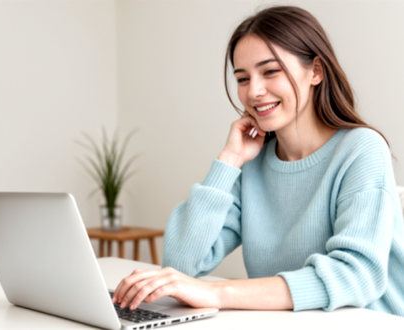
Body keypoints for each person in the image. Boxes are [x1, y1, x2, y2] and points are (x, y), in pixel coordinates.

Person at [112, 5, 404, 316]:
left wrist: (218, 292)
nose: (254, 91)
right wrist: (229, 160)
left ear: (316, 71)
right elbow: (181, 263)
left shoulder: (361, 150)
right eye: (242, 78)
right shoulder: (252, 162)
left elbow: (356, 275)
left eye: (270, 71)